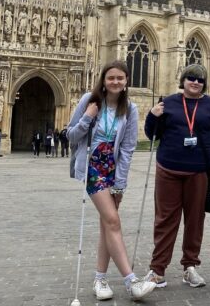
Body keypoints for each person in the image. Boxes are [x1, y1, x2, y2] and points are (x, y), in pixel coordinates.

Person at [66, 60, 156, 301]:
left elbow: (127, 149)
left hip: (113, 170)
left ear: (127, 82)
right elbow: (71, 136)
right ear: (103, 81)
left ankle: (100, 279)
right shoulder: (89, 101)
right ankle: (131, 281)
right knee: (113, 221)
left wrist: (120, 184)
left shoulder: (131, 109)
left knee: (107, 223)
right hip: (93, 166)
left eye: (120, 78)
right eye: (111, 78)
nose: (116, 82)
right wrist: (87, 117)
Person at [143, 64, 210, 289]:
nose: (195, 82)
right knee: (165, 220)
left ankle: (190, 267)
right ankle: (157, 270)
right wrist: (152, 117)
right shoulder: (169, 102)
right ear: (183, 80)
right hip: (169, 169)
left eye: (200, 79)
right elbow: (152, 133)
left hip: (200, 171)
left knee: (194, 221)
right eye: (191, 78)